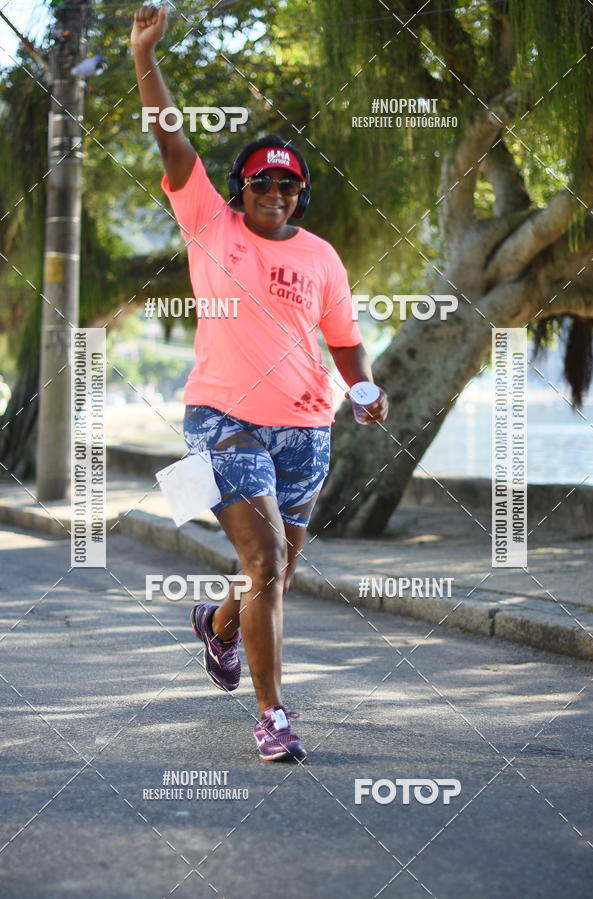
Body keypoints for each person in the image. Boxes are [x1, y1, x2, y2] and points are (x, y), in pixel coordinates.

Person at [131, 5, 389, 762]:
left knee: (274, 573)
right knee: (267, 563)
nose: (275, 191)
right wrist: (146, 56)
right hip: (223, 420)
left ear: (300, 194)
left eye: (288, 184)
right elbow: (171, 137)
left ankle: (215, 626)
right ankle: (273, 715)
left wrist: (366, 388)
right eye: (261, 182)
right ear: (238, 190)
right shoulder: (209, 225)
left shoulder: (323, 257)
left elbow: (344, 342)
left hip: (307, 428)